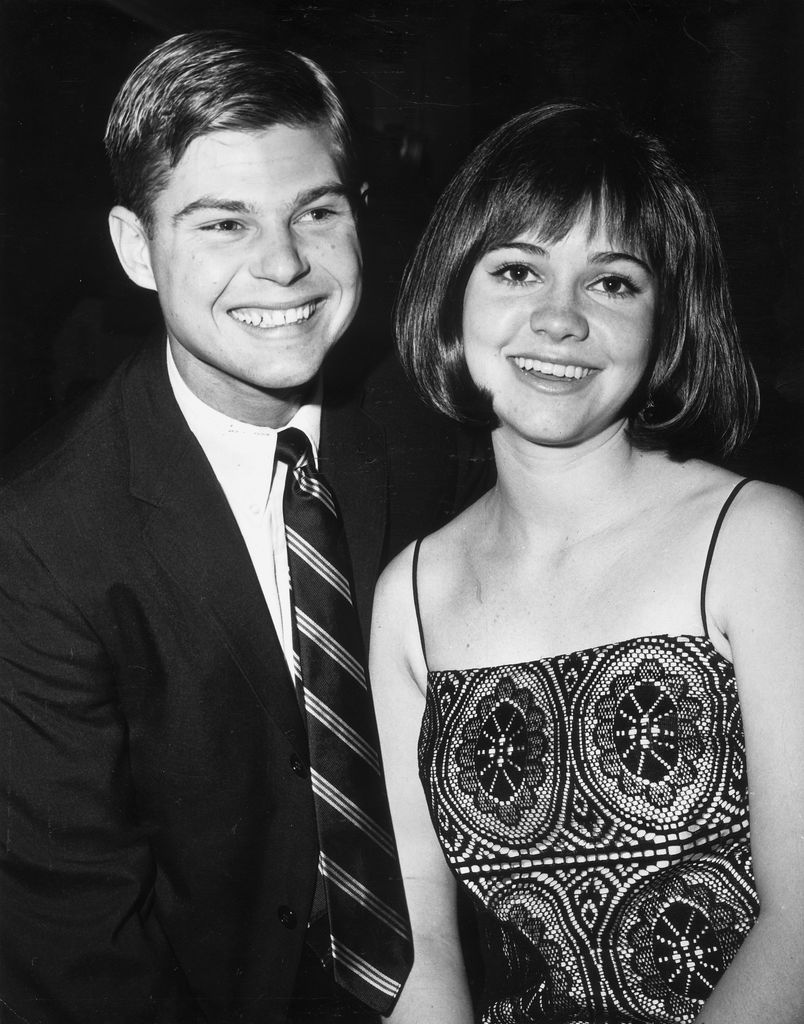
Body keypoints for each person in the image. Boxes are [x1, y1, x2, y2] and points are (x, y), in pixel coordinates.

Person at [0, 30, 491, 1024]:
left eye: (314, 212)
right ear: (137, 249)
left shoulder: (438, 417)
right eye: (222, 224)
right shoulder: (46, 533)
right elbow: (72, 942)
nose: (284, 267)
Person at [370, 101, 804, 1023]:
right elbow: (430, 958)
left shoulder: (757, 543)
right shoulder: (410, 597)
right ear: (455, 296)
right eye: (518, 269)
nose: (558, 318)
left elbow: (803, 929)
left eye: (612, 283)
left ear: (667, 324)